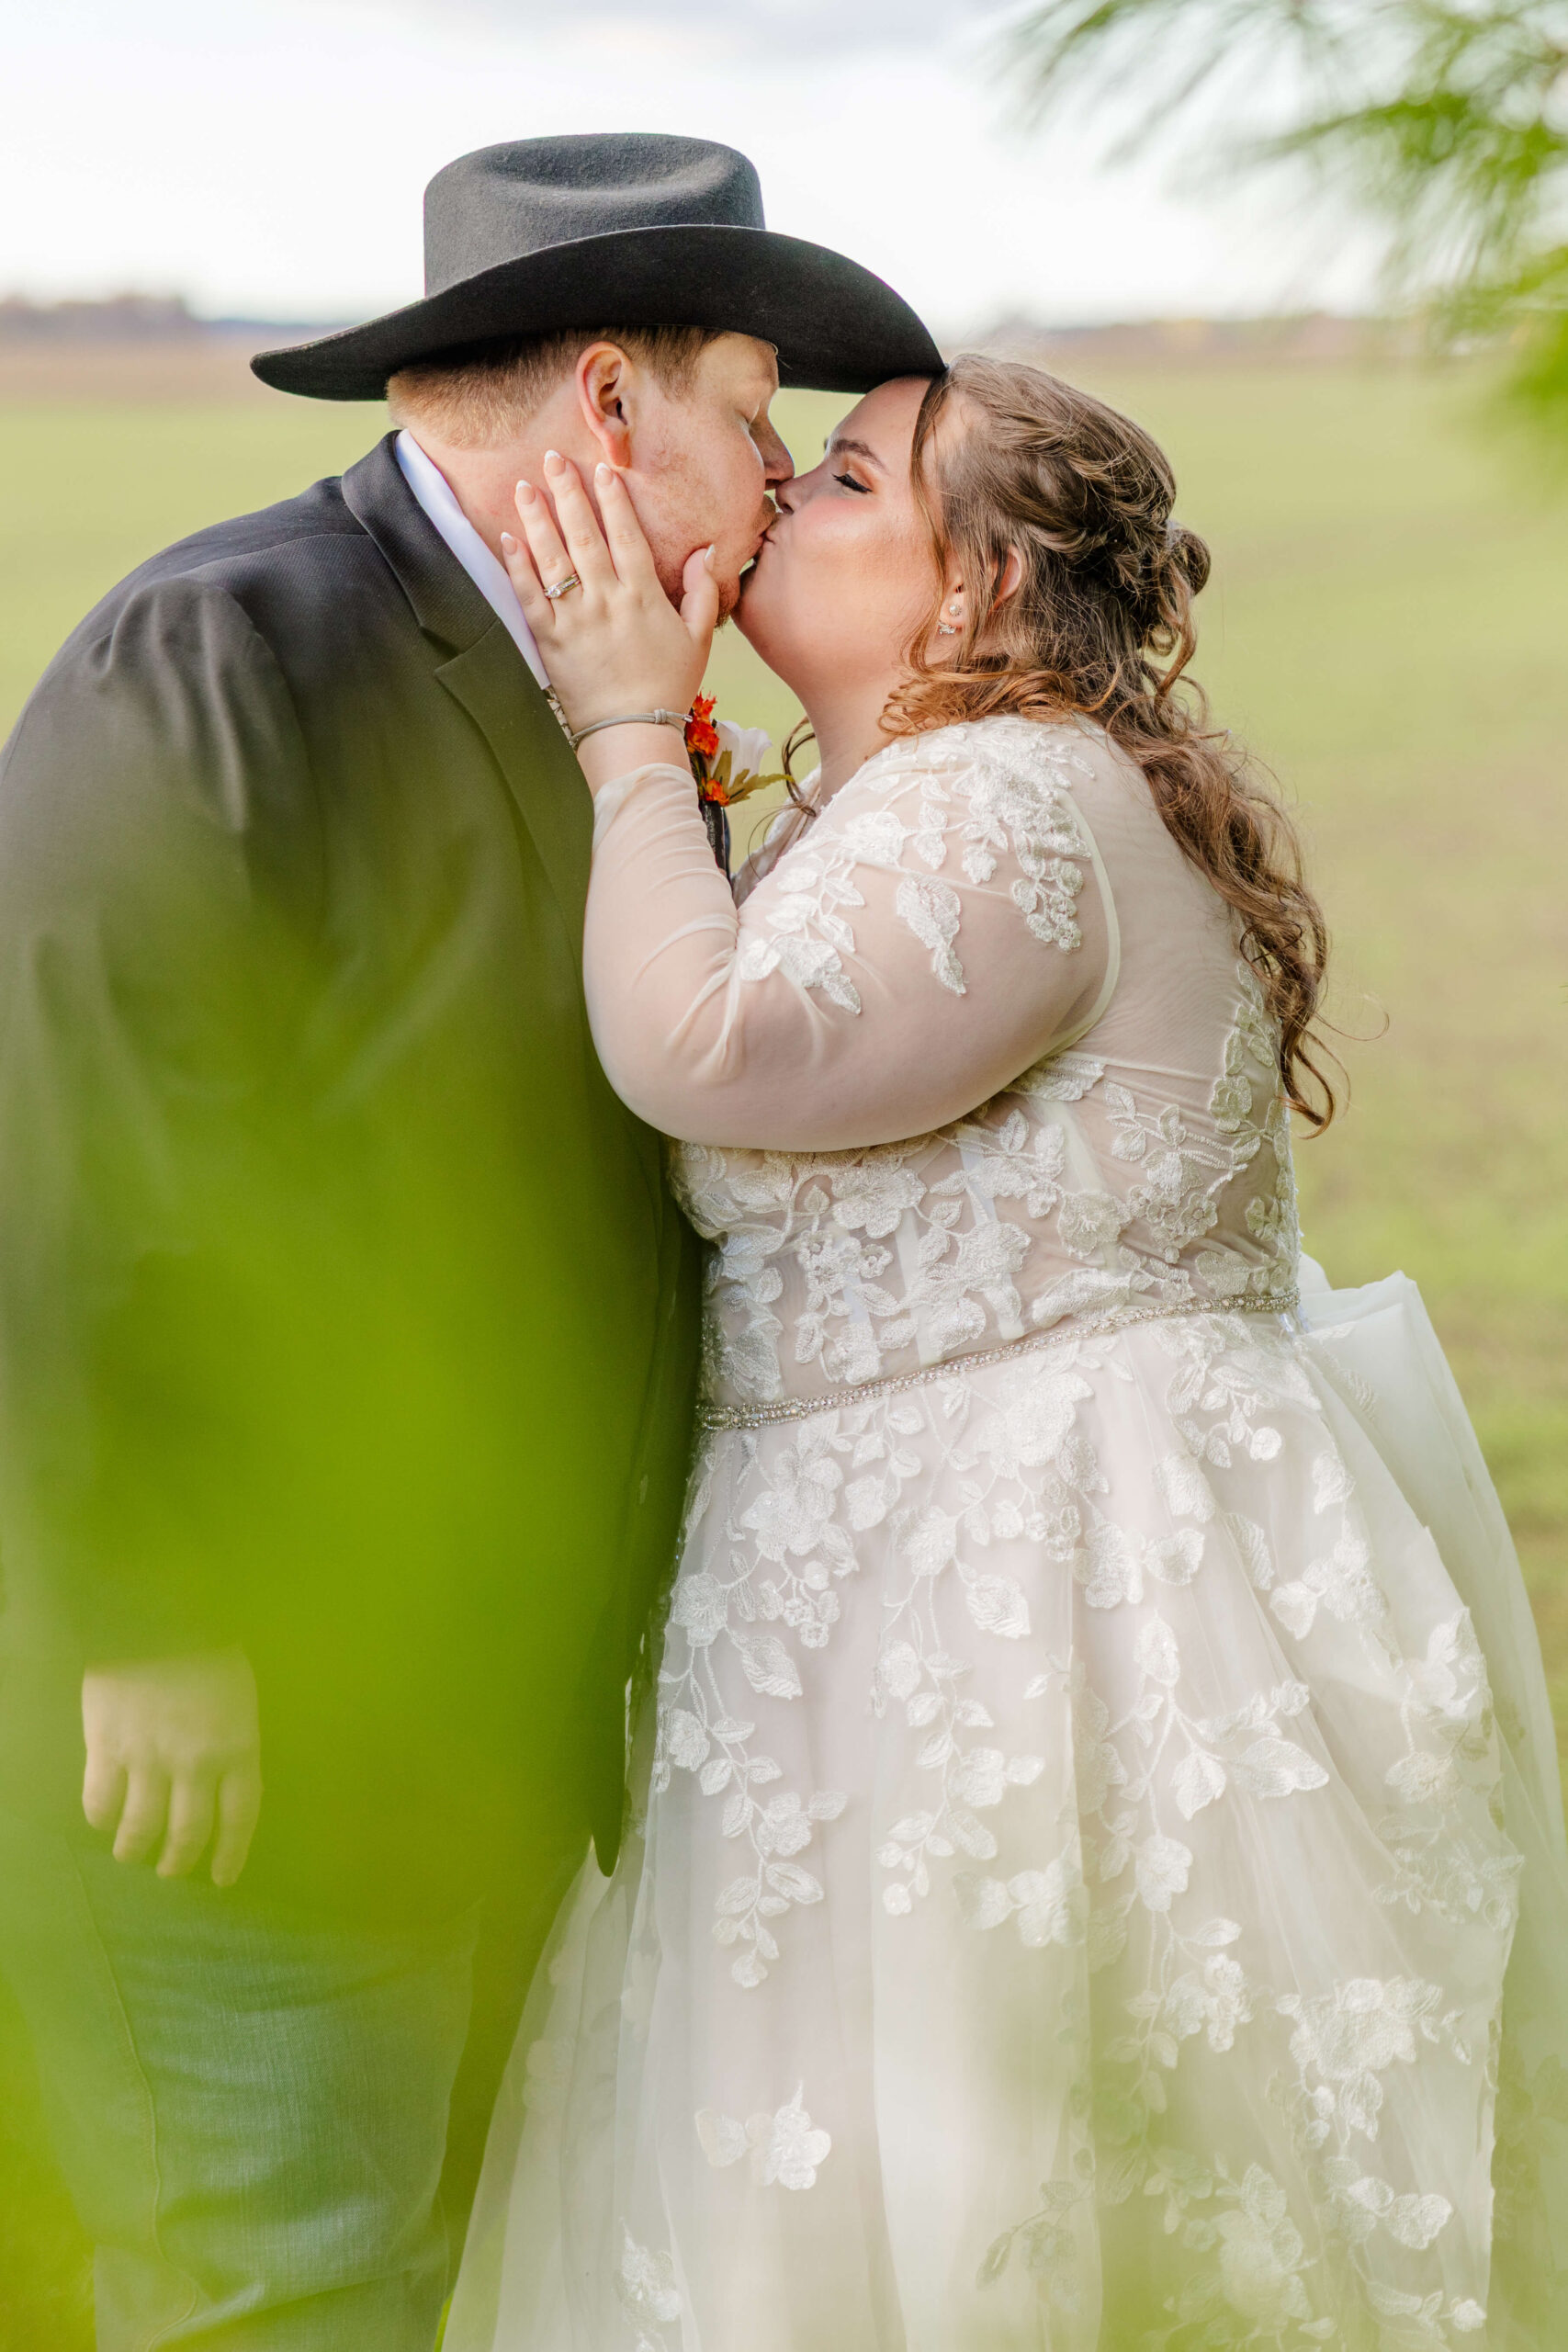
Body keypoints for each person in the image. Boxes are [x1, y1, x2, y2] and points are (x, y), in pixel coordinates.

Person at [446, 357, 1568, 2348]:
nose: (788, 485)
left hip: (1033, 1622)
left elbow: (709, 1051)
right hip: (880, 1618)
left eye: (852, 475)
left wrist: (628, 731)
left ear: (975, 592)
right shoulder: (938, 789)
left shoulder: (1001, 795)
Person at [0, 134, 940, 2351]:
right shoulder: (224, 647)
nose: (778, 480)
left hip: (493, 1726)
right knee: (271, 2282)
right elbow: (83, 1147)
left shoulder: (620, 694)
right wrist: (155, 1616)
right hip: (231, 1750)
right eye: (751, 412)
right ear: (612, 411)